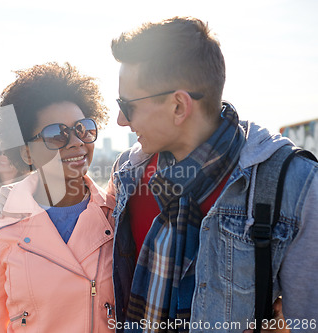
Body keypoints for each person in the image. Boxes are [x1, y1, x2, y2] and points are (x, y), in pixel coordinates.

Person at [108, 17, 318, 332]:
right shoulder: (128, 173)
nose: (121, 120)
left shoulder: (295, 184)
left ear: (179, 106)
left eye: (128, 105)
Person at [0, 62, 116, 333]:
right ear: (26, 153)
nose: (76, 142)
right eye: (56, 134)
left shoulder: (116, 214)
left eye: (82, 128)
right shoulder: (0, 230)